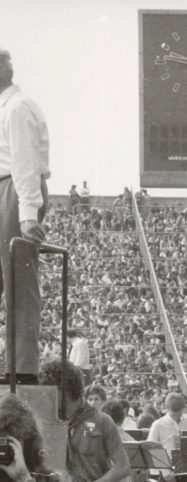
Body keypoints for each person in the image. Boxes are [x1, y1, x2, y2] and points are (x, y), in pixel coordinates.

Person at [0, 48, 49, 386]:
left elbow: (25, 164)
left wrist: (28, 214)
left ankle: (23, 369)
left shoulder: (17, 108)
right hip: (5, 187)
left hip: (14, 191)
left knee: (19, 282)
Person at [147, 392, 187, 482]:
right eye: (174, 415)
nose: (177, 418)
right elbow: (152, 447)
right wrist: (164, 469)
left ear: (184, 408)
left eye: (179, 414)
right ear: (166, 409)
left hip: (186, 469)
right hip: (167, 470)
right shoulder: (158, 424)